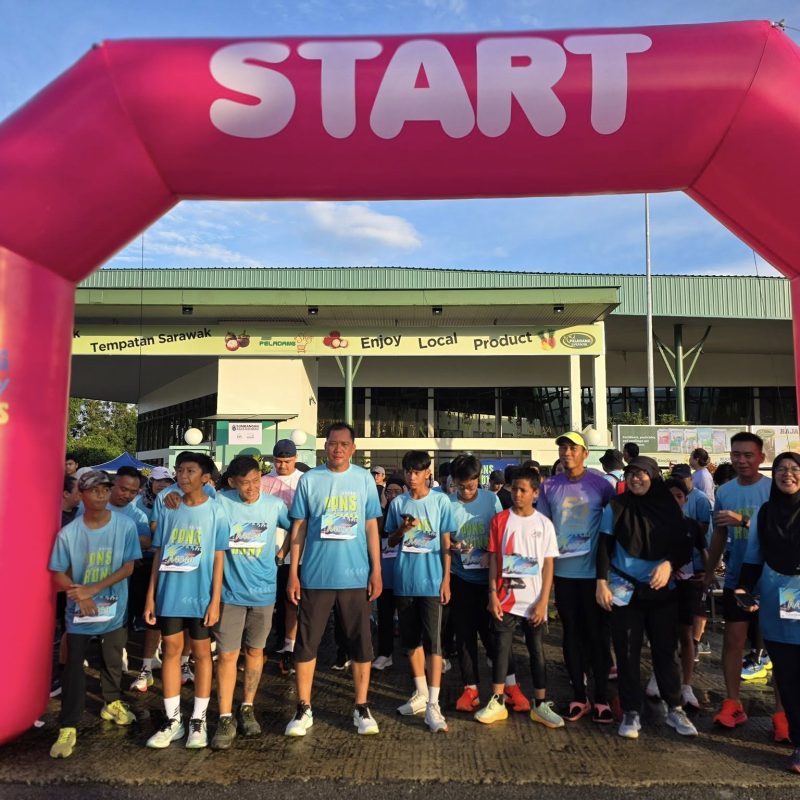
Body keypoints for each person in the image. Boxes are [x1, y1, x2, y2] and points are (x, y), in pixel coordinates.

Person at [284, 422, 383, 737]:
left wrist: (376, 570)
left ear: (353, 448)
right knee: (306, 643)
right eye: (331, 443)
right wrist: (293, 573)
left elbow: (371, 526)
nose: (337, 449)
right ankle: (303, 707)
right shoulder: (310, 480)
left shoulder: (363, 479)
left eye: (343, 444)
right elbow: (299, 528)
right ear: (324, 446)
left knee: (360, 643)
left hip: (355, 577)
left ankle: (361, 706)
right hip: (315, 577)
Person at [596, 456, 698, 740]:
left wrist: (669, 564)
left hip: (661, 590)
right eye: (631, 473)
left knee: (666, 651)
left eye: (642, 473)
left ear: (653, 476)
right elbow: (604, 545)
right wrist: (601, 582)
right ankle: (631, 711)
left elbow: (683, 545)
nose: (635, 478)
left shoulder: (668, 506)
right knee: (627, 652)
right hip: (624, 589)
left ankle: (674, 707)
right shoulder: (616, 506)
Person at [48, 470, 141, 759]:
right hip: (80, 612)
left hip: (114, 608)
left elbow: (128, 567)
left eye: (104, 489)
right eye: (94, 490)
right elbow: (57, 573)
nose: (101, 495)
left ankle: (111, 703)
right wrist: (80, 594)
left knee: (113, 659)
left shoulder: (125, 526)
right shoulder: (69, 533)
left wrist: (94, 589)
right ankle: (68, 725)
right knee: (74, 666)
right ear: (81, 494)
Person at [144, 452, 228, 749]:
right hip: (170, 594)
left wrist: (215, 600)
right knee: (171, 650)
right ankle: (173, 720)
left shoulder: (217, 511)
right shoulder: (168, 507)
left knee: (202, 654)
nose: (183, 476)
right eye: (179, 470)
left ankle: (198, 720)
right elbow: (158, 553)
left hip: (201, 596)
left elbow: (219, 558)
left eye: (190, 471)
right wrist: (151, 597)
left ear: (205, 477)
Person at [210, 455, 291, 750]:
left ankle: (247, 707)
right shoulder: (220, 501)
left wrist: (281, 554)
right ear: (232, 482)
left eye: (257, 480)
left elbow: (297, 526)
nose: (252, 487)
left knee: (255, 651)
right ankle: (225, 716)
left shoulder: (274, 505)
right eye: (245, 483)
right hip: (229, 593)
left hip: (264, 593)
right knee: (228, 655)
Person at [537, 432, 615, 723]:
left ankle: (602, 698)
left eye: (572, 447)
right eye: (562, 448)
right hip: (564, 573)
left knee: (597, 636)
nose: (566, 452)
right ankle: (579, 697)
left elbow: (614, 525)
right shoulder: (549, 486)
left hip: (595, 575)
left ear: (585, 453)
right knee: (570, 634)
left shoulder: (601, 485)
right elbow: (543, 528)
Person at [475, 467, 562, 728]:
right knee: (502, 650)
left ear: (535, 493)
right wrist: (492, 595)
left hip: (534, 602)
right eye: (514, 489)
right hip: (505, 600)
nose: (517, 494)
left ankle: (540, 703)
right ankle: (497, 701)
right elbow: (493, 560)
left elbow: (548, 565)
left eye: (523, 490)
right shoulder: (500, 520)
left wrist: (544, 601)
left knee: (537, 651)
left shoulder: (544, 524)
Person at [703, 432, 772, 731]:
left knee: (779, 646)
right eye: (736, 455)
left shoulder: (774, 489)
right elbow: (719, 534)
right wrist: (708, 571)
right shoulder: (725, 491)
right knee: (733, 641)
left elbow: (781, 531)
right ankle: (732, 703)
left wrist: (743, 521)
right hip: (737, 579)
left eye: (748, 455)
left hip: (773, 581)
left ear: (761, 458)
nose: (741, 460)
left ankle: (783, 714)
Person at [385, 450, 456, 733]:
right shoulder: (398, 503)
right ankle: (420, 693)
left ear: (428, 472)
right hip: (405, 581)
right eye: (408, 472)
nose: (412, 477)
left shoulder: (441, 501)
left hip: (432, 582)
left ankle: (433, 704)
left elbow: (446, 542)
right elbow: (390, 540)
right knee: (411, 642)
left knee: (433, 643)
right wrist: (402, 530)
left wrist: (446, 579)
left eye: (417, 472)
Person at [738, 451, 800, 774]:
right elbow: (753, 556)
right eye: (781, 469)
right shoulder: (765, 512)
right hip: (779, 599)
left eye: (795, 468)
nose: (788, 474)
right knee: (787, 677)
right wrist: (742, 589)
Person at [448, 455, 525, 714]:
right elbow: (443, 539)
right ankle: (470, 689)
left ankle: (511, 686)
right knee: (465, 636)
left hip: (490, 580)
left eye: (470, 486)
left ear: (477, 479)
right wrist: (453, 545)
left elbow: (501, 533)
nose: (466, 491)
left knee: (497, 636)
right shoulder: (448, 503)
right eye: (460, 486)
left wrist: (489, 554)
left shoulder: (491, 500)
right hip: (461, 579)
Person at [662, 477, 708, 710]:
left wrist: (707, 575)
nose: (674, 500)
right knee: (662, 635)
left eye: (679, 496)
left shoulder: (692, 525)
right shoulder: (655, 524)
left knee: (686, 635)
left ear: (685, 500)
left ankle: (687, 684)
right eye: (669, 496)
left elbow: (704, 551)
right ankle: (659, 676)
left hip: (687, 585)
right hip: (662, 587)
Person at [262, 439, 303, 675]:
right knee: (269, 601)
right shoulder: (263, 481)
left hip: (295, 553)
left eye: (287, 461)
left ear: (295, 459)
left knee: (291, 602)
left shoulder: (303, 481)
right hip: (266, 552)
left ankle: (290, 647)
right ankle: (265, 644)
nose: (282, 466)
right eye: (278, 461)